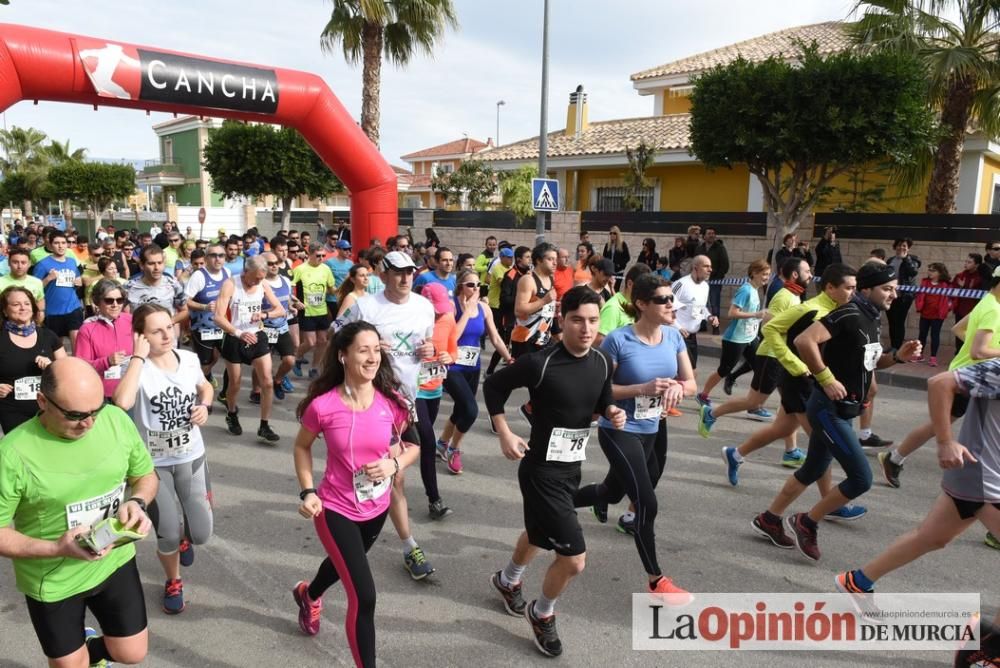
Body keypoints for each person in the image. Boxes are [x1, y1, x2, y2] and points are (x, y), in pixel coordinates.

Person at [485, 286, 626, 658]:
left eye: (593, 321)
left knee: (538, 534)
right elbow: (493, 387)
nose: (586, 328)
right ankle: (542, 612)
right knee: (574, 559)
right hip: (540, 471)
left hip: (571, 469)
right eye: (577, 320)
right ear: (562, 319)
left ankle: (507, 580)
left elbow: (603, 397)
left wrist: (612, 411)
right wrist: (504, 432)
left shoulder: (600, 362)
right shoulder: (540, 362)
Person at [835, 358, 1000, 667]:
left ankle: (857, 582)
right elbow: (939, 383)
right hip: (982, 475)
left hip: (981, 475)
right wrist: (945, 441)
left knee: (931, 537)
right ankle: (989, 649)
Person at [756, 262, 921, 562]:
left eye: (895, 289)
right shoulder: (847, 313)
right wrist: (826, 378)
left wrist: (897, 356)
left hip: (846, 409)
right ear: (866, 289)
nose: (893, 295)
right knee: (861, 478)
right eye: (887, 289)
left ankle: (769, 518)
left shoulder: (872, 318)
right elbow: (803, 340)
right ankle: (807, 521)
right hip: (827, 409)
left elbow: (872, 362)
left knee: (813, 469)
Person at [0, 357, 157, 667]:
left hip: (114, 561)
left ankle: (88, 649)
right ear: (43, 401)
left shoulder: (114, 419)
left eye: (95, 410)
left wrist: (137, 502)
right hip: (54, 579)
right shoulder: (13, 453)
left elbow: (146, 476)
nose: (89, 423)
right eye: (75, 415)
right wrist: (56, 547)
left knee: (132, 654)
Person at [290, 322, 418, 667]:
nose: (372, 357)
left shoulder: (392, 401)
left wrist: (395, 465)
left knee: (344, 564)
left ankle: (308, 593)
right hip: (334, 509)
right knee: (364, 596)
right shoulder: (324, 406)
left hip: (376, 507)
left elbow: (414, 445)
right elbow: (302, 447)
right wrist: (308, 490)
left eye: (376, 349)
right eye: (363, 350)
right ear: (343, 355)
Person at [573, 274, 695, 600]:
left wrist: (677, 390)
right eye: (663, 300)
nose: (672, 305)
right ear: (642, 304)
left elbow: (691, 383)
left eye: (672, 299)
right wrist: (642, 388)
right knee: (646, 503)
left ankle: (561, 503)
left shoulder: (673, 337)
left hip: (655, 428)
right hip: (620, 429)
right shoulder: (618, 340)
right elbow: (598, 389)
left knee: (611, 493)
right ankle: (657, 580)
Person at [335, 250, 438, 580]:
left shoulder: (424, 306)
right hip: (372, 402)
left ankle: (354, 521)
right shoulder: (367, 307)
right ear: (384, 275)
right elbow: (336, 331)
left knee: (392, 472)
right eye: (398, 272)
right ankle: (407, 545)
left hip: (406, 401)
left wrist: (431, 350)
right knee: (395, 475)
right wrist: (369, 345)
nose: (406, 278)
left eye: (410, 272)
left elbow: (428, 344)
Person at [112, 304, 214, 615]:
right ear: (142, 336)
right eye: (156, 331)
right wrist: (137, 357)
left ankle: (185, 540)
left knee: (201, 533)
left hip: (191, 456)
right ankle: (174, 580)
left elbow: (205, 387)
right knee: (167, 531)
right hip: (154, 466)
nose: (167, 334)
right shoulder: (137, 368)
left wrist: (205, 405)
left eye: (169, 326)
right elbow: (122, 402)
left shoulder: (190, 360)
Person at [878, 266, 1000, 490]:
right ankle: (894, 458)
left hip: (972, 375)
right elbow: (978, 351)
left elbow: (958, 329)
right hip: (973, 379)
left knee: (950, 425)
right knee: (941, 425)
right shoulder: (994, 310)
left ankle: (895, 458)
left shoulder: (988, 301)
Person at [437, 268, 512, 474]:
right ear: (461, 286)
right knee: (470, 410)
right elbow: (452, 336)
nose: (476, 288)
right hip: (452, 366)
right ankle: (454, 448)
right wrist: (467, 312)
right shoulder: (452, 307)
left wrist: (508, 358)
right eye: (471, 285)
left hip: (473, 367)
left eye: (478, 285)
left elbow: (495, 338)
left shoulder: (484, 308)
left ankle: (442, 442)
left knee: (461, 408)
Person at [213, 255, 284, 443]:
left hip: (257, 336)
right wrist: (238, 333)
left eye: (262, 278)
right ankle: (231, 412)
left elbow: (280, 309)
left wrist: (264, 314)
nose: (258, 281)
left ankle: (264, 425)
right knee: (235, 384)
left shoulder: (262, 284)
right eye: (256, 278)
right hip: (234, 337)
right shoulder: (231, 284)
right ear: (246, 272)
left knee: (267, 381)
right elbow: (218, 317)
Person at [412, 282, 457, 520]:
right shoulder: (411, 320)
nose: (439, 313)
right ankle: (434, 499)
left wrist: (450, 357)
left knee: (420, 441)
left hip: (435, 388)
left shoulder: (448, 319)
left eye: (441, 308)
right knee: (428, 440)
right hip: (413, 390)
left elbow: (453, 350)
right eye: (435, 308)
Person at [697, 259, 769, 403]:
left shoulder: (755, 290)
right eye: (764, 274)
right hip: (735, 339)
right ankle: (703, 395)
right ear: (754, 273)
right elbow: (732, 313)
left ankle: (753, 403)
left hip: (750, 337)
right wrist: (756, 314)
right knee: (723, 370)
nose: (766, 278)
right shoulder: (746, 290)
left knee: (759, 366)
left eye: (768, 275)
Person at [0, 287, 67, 434]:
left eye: (27, 303)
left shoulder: (48, 336)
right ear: (5, 311)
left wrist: (52, 366)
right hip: (12, 411)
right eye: (16, 304)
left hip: (48, 408)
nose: (23, 307)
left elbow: (67, 372)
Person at [74, 279, 134, 401]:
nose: (115, 304)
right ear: (98, 302)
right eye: (109, 300)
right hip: (104, 395)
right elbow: (81, 366)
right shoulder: (87, 329)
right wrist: (107, 361)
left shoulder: (131, 320)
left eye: (120, 300)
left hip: (133, 389)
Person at [254, 252, 298, 402]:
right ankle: (256, 391)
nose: (274, 266)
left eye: (276, 263)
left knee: (290, 360)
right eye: (270, 264)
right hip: (263, 328)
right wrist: (266, 314)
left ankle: (278, 380)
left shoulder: (285, 280)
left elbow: (287, 300)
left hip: (281, 328)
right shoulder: (258, 283)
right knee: (261, 363)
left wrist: (292, 306)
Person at [185, 243, 231, 387]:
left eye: (221, 255)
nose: (218, 259)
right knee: (206, 362)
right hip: (202, 329)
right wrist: (204, 306)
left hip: (222, 326)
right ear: (206, 258)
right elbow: (185, 301)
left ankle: (224, 394)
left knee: (228, 360)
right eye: (213, 255)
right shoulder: (199, 276)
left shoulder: (227, 273)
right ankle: (200, 389)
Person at [32, 230, 84, 351]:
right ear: (50, 245)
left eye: (63, 243)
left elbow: (77, 280)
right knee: (57, 347)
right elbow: (34, 289)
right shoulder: (42, 264)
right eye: (56, 243)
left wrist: (78, 283)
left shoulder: (71, 262)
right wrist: (48, 278)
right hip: (53, 312)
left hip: (73, 308)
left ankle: (77, 368)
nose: (60, 246)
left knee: (77, 341)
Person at [291, 243, 336, 379]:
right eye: (318, 256)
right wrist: (295, 302)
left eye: (323, 255)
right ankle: (296, 357)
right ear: (309, 255)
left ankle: (314, 368)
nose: (321, 258)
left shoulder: (326, 269)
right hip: (307, 310)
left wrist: (343, 290)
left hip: (321, 310)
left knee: (323, 341)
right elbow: (289, 288)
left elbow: (331, 288)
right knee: (310, 342)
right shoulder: (300, 269)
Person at [124, 244, 187, 336]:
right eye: (151, 263)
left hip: (167, 341)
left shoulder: (173, 285)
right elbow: (122, 315)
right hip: (140, 341)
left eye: (160, 263)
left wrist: (169, 322)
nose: (157, 268)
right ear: (142, 265)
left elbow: (185, 311)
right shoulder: (128, 287)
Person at [671, 255, 718, 375]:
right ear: (695, 268)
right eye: (706, 266)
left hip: (692, 337)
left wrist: (709, 317)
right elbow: (667, 309)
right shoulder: (680, 284)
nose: (710, 270)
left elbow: (699, 308)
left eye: (711, 267)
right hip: (677, 336)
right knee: (690, 374)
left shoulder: (705, 286)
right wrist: (678, 328)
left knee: (686, 375)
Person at [510, 243, 557, 360]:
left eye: (555, 259)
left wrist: (554, 306)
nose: (555, 263)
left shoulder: (551, 278)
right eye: (550, 259)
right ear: (539, 260)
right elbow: (519, 310)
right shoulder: (528, 280)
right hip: (525, 340)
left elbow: (544, 307)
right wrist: (545, 301)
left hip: (543, 338)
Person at [914, 262, 953, 366]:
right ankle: (919, 354)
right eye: (929, 270)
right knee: (922, 334)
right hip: (925, 313)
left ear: (940, 273)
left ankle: (933, 357)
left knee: (934, 335)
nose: (929, 272)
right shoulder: (925, 282)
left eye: (933, 270)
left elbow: (950, 300)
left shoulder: (946, 285)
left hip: (938, 315)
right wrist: (919, 305)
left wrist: (947, 308)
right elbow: (920, 295)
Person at [886, 237, 921, 350]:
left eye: (904, 245)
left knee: (899, 321)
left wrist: (905, 259)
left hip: (904, 297)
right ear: (895, 246)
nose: (901, 247)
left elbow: (913, 272)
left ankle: (898, 347)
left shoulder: (913, 260)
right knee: (891, 321)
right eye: (899, 245)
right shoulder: (890, 260)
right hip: (890, 296)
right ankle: (893, 346)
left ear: (908, 248)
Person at [696, 228, 730, 334]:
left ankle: (716, 327)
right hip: (701, 282)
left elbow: (725, 265)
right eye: (709, 233)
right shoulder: (699, 248)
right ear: (704, 236)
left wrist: (717, 277)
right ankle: (702, 325)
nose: (711, 235)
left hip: (715, 282)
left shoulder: (720, 248)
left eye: (713, 233)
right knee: (702, 304)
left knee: (714, 304)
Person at [0, 247, 45, 320]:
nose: (19, 266)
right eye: (15, 262)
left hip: (30, 325)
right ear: (8, 263)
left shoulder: (37, 282)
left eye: (23, 262)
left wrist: (40, 316)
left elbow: (40, 301)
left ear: (29, 264)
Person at [953, 253, 984, 342]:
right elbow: (952, 290)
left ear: (977, 265)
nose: (966, 264)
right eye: (966, 261)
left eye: (969, 262)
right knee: (958, 334)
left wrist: (965, 287)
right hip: (960, 310)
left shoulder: (980, 277)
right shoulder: (960, 276)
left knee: (971, 335)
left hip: (974, 311)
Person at [602, 226, 630, 290]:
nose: (612, 235)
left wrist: (620, 265)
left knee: (616, 289)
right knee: (608, 289)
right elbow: (604, 257)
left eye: (614, 233)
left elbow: (627, 257)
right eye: (611, 233)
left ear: (617, 234)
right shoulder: (607, 245)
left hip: (619, 271)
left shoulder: (622, 244)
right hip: (609, 271)